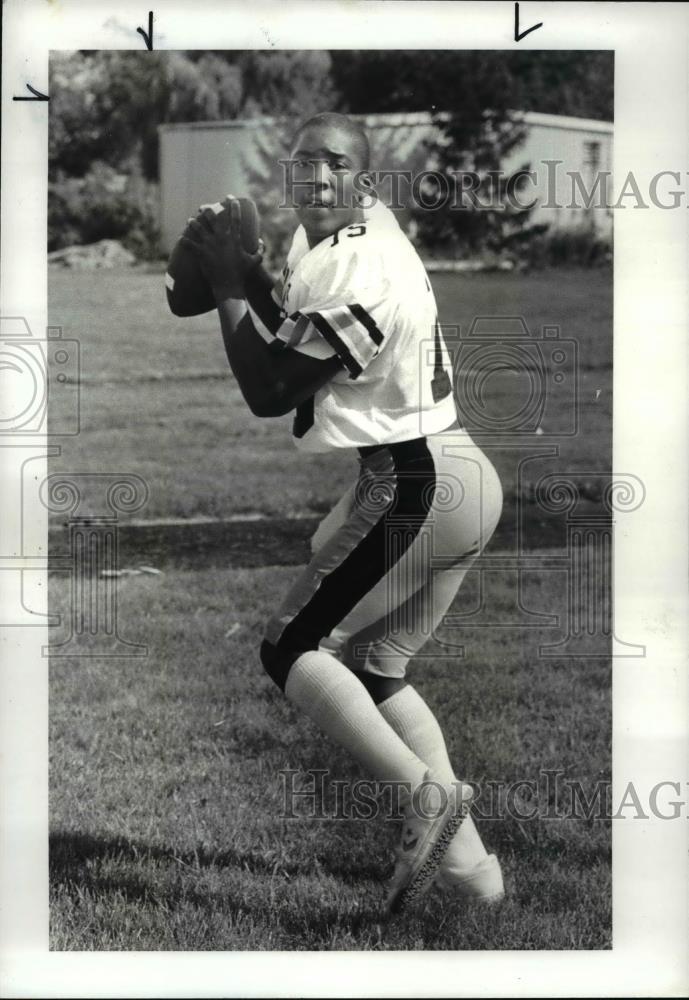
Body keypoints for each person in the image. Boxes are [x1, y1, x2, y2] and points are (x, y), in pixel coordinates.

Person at [182, 112, 505, 914]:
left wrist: (225, 284)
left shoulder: (362, 265)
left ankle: (425, 797)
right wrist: (252, 278)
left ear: (366, 182)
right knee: (375, 667)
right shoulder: (344, 239)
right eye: (303, 164)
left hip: (414, 481)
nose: (316, 178)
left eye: (335, 165)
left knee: (290, 647)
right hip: (457, 471)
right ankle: (473, 873)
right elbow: (301, 325)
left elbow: (269, 390)